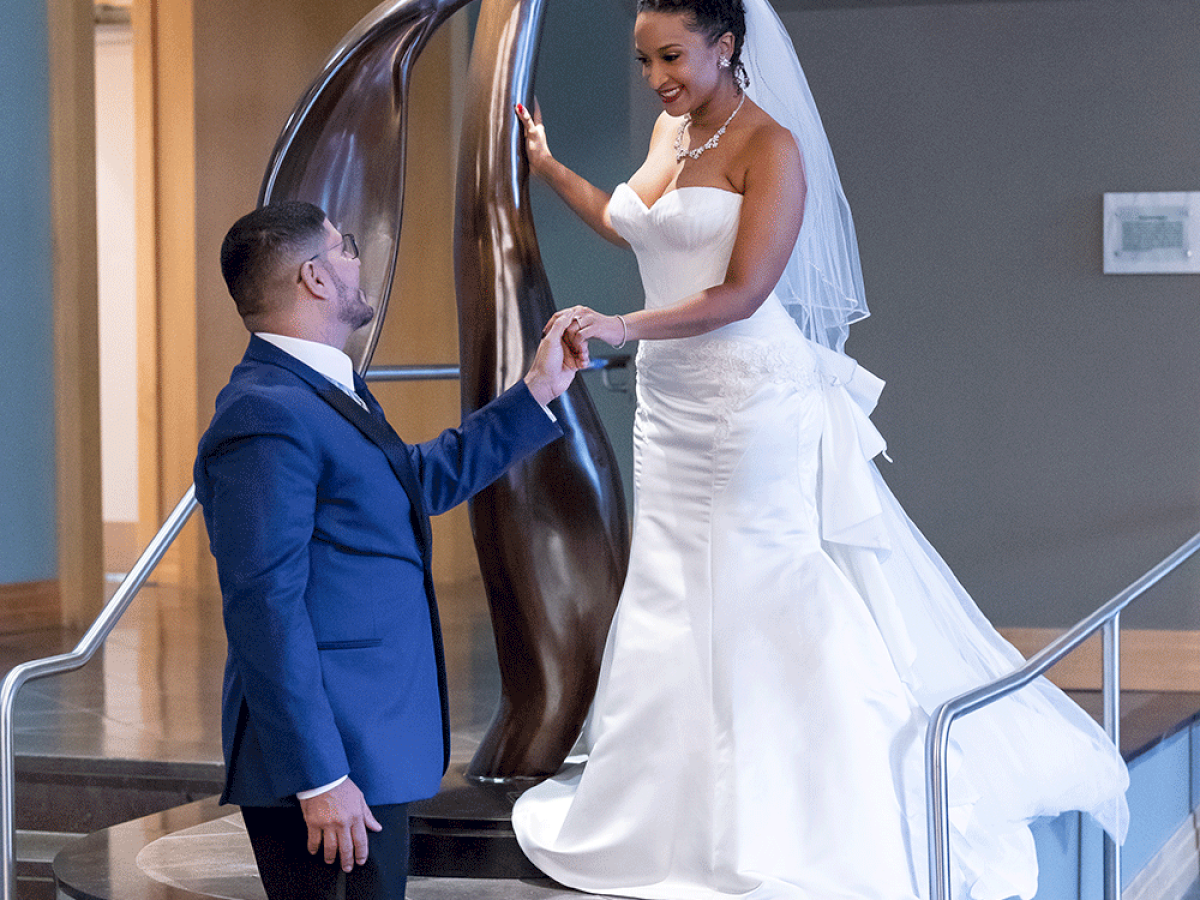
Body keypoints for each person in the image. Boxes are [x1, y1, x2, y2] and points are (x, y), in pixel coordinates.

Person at [510, 1, 1129, 898]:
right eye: (645, 62)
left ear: (726, 46)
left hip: (748, 402)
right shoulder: (671, 129)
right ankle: (665, 812)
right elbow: (627, 219)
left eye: (673, 57)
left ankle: (804, 813)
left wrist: (619, 324)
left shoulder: (773, 149)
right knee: (670, 589)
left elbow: (743, 293)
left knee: (764, 587)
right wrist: (547, 167)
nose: (657, 79)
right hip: (670, 408)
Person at [193, 200, 581, 900]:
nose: (356, 258)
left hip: (366, 742)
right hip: (326, 757)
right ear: (313, 278)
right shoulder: (264, 413)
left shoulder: (324, 389)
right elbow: (263, 608)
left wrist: (538, 392)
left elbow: (413, 483)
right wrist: (319, 776)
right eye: (344, 248)